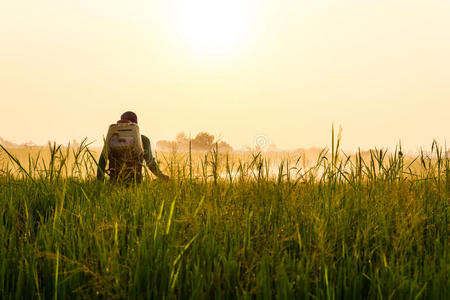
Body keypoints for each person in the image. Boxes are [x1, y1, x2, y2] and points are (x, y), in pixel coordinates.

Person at [97, 111, 169, 183]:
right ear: (136, 124)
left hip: (114, 184)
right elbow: (150, 163)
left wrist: (99, 183)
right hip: (135, 184)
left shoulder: (112, 139)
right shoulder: (143, 140)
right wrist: (162, 176)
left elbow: (102, 162)